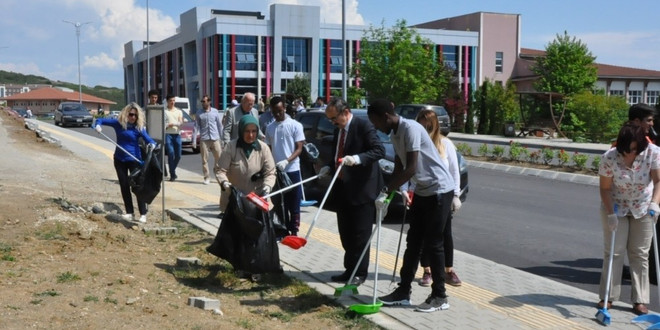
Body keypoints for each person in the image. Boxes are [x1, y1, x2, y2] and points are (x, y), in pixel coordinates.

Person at [368, 99, 455, 313]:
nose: (376, 127)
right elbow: (400, 167)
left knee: (434, 244)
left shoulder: (411, 128)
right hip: (423, 191)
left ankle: (440, 296)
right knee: (413, 242)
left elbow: (412, 167)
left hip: (440, 191)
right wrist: (391, 194)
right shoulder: (394, 134)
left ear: (385, 116)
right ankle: (403, 291)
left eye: (376, 122)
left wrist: (386, 191)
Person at [318, 97, 385, 287]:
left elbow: (378, 150)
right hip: (343, 189)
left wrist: (357, 158)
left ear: (345, 112)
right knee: (346, 233)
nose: (333, 123)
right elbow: (337, 157)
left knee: (360, 235)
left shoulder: (363, 127)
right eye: (330, 120)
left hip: (363, 190)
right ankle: (350, 269)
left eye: (334, 119)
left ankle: (360, 273)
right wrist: (329, 168)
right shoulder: (338, 130)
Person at [597, 121, 660, 316]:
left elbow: (658, 180)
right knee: (614, 252)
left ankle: (639, 300)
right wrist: (610, 214)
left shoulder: (653, 152)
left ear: (641, 146)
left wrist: (655, 203)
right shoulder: (609, 157)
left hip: (643, 206)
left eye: (633, 150)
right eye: (625, 150)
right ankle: (607, 297)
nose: (628, 154)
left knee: (640, 254)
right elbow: (605, 188)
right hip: (616, 206)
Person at [414, 109, 463, 287]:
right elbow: (409, 167)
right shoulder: (415, 142)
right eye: (421, 124)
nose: (425, 129)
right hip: (423, 194)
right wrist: (406, 190)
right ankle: (427, 270)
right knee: (426, 234)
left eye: (428, 125)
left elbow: (454, 171)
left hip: (443, 195)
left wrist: (456, 195)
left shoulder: (445, 144)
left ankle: (448, 270)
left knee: (445, 233)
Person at [93, 103, 157, 223]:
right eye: (131, 114)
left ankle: (143, 213)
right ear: (126, 114)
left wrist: (152, 144)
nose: (133, 117)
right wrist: (98, 126)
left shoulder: (138, 127)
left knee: (137, 186)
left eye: (135, 116)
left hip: (134, 160)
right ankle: (129, 212)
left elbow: (148, 139)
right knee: (124, 185)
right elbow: (100, 119)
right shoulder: (118, 124)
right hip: (119, 159)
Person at [215, 115, 276, 212]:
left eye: (254, 131)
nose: (251, 135)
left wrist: (267, 187)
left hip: (257, 200)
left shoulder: (263, 148)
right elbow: (220, 170)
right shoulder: (230, 147)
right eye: (247, 131)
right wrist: (225, 183)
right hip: (234, 201)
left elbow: (270, 173)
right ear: (241, 131)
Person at [265, 96, 305, 236]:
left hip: (292, 169)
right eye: (274, 112)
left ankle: (294, 231)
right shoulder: (270, 128)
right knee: (280, 203)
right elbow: (268, 149)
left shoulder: (295, 125)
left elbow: (299, 148)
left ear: (285, 109)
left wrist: (287, 161)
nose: (277, 114)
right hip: (277, 172)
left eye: (279, 111)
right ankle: (282, 230)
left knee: (294, 203)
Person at [195, 95, 224, 185]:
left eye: (205, 101)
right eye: (202, 101)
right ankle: (207, 177)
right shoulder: (199, 113)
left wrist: (222, 138)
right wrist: (193, 140)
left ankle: (217, 174)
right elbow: (196, 127)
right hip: (204, 138)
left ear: (209, 102)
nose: (203, 103)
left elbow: (219, 125)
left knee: (219, 158)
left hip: (215, 138)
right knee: (204, 159)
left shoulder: (215, 112)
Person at [164, 94, 184, 181]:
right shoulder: (164, 111)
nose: (172, 102)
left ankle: (172, 170)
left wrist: (174, 124)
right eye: (170, 101)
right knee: (171, 153)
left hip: (177, 134)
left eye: (173, 100)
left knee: (178, 155)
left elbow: (180, 122)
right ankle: (172, 175)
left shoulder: (179, 111)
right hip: (168, 134)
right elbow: (163, 123)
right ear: (167, 101)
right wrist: (169, 125)